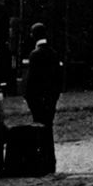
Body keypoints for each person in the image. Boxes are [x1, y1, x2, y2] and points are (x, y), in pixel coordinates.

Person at [24, 23, 62, 174]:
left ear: (34, 35)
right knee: (49, 128)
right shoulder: (53, 53)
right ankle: (50, 162)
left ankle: (42, 162)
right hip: (50, 98)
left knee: (39, 128)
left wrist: (28, 97)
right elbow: (59, 79)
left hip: (38, 99)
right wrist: (54, 97)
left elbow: (32, 80)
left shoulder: (35, 54)